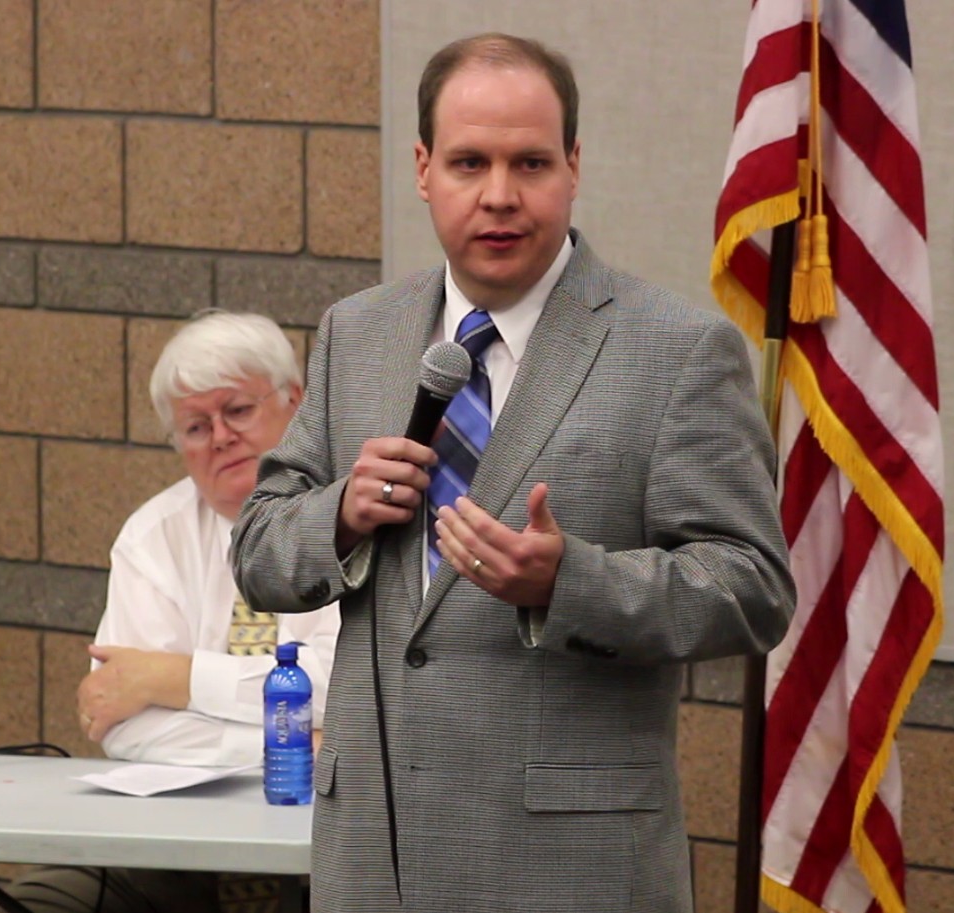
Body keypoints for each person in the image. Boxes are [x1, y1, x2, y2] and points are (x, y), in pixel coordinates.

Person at [230, 33, 794, 913]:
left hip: (570, 864)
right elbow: (260, 546)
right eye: (468, 162)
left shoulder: (677, 350)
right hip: (379, 861)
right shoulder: (359, 332)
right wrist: (339, 513)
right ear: (423, 169)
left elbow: (753, 586)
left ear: (573, 165)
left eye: (529, 161)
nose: (499, 195)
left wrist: (569, 582)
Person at [0, 311, 339, 913]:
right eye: (196, 426)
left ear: (295, 403)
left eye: (238, 411)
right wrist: (300, 745)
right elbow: (126, 727)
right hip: (181, 846)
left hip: (336, 839)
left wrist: (176, 680)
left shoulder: (350, 521)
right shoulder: (152, 538)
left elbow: (354, 691)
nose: (219, 437)